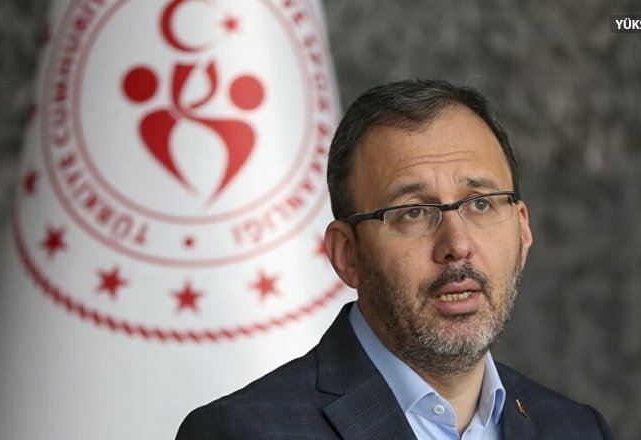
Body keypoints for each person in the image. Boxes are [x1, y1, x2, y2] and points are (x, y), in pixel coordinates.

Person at [176, 79, 614, 439]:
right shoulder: (240, 432)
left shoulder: (578, 429)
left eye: (480, 203)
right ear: (347, 254)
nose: (457, 244)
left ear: (522, 230)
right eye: (413, 212)